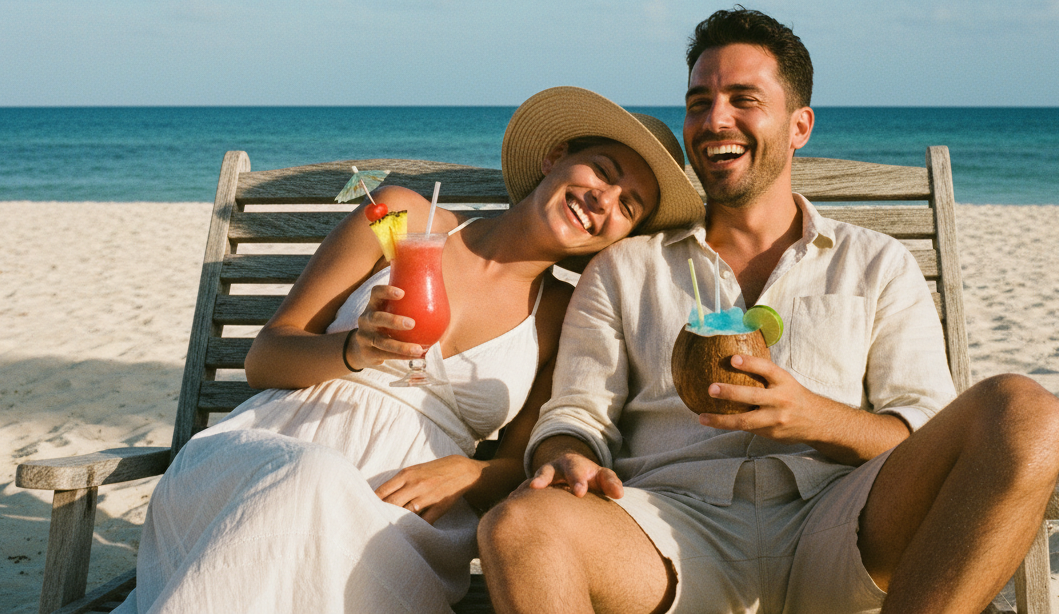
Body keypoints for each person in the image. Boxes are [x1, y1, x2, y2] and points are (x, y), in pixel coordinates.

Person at [478, 9, 1059, 614]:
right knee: (520, 526)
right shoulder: (627, 268)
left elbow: (920, 428)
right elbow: (577, 413)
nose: (715, 120)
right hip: (669, 530)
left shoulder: (874, 263)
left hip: (842, 524)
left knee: (1027, 414)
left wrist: (812, 417)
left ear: (799, 126)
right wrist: (565, 457)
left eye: (744, 99)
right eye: (699, 101)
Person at [116, 87, 704, 614]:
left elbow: (523, 461)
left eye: (628, 205)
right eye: (602, 171)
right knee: (310, 478)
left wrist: (475, 472)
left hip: (399, 519)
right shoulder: (402, 216)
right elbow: (265, 356)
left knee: (320, 500)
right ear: (554, 159)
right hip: (267, 459)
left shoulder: (563, 315)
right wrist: (354, 349)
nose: (605, 200)